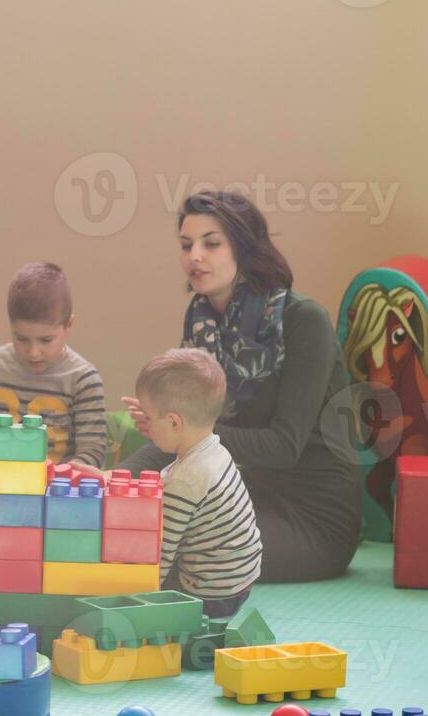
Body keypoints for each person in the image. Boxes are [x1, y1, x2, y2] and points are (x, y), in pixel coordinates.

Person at [117, 189, 362, 582]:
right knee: (128, 535)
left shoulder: (304, 321)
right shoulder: (202, 324)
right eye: (186, 245)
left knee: (161, 555)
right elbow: (190, 434)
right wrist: (111, 485)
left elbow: (283, 447)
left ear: (244, 250)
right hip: (242, 495)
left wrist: (186, 432)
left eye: (211, 243)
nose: (194, 255)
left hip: (312, 519)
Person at [132, 347, 261, 617]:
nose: (144, 425)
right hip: (240, 581)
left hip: (211, 594)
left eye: (148, 417)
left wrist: (133, 602)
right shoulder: (215, 450)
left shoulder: (185, 481)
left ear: (174, 423)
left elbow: (160, 557)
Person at [0, 262, 108, 468]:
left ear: (69, 325)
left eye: (46, 340)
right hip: (3, 478)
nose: (33, 352)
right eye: (21, 339)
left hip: (56, 488)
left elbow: (92, 450)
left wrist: (61, 474)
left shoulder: (82, 378)